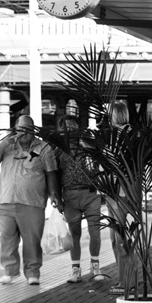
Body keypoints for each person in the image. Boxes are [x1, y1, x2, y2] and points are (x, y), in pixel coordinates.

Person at [0, 115, 60, 285]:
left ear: (34, 130)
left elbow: (51, 172)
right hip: (6, 200)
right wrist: (4, 143)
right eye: (21, 129)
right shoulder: (7, 147)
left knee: (32, 240)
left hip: (32, 202)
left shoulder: (44, 148)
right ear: (16, 129)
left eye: (28, 129)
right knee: (6, 237)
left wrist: (54, 194)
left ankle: (32, 272)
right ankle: (10, 271)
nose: (24, 132)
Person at [55, 115, 103, 284]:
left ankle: (95, 266)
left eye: (74, 127)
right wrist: (56, 198)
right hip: (69, 196)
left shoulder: (89, 145)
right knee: (74, 233)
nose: (71, 131)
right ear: (62, 130)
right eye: (67, 128)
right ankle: (76, 269)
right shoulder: (58, 150)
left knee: (95, 231)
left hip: (90, 194)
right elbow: (53, 175)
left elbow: (101, 166)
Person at [105, 102, 130, 295]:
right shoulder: (116, 135)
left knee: (121, 238)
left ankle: (126, 282)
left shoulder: (124, 135)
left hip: (120, 192)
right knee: (116, 238)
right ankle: (123, 280)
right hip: (114, 191)